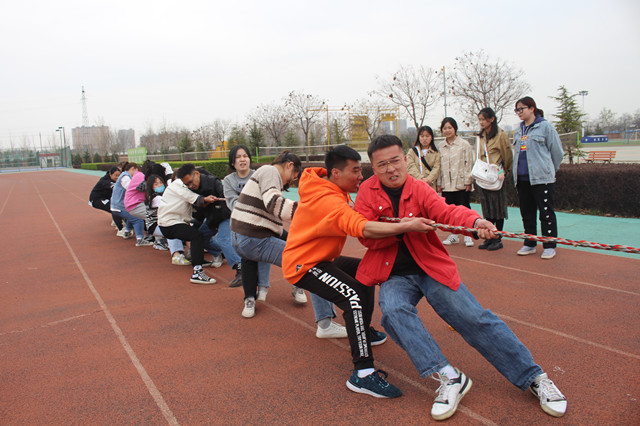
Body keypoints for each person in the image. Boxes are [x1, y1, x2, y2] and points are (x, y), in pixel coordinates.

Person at [354, 135, 567, 420]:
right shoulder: (367, 192)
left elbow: (447, 211)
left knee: (472, 318)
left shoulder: (419, 188)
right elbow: (364, 235)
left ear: (405, 160)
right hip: (392, 272)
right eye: (382, 165)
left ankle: (534, 377)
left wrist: (475, 222)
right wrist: (402, 227)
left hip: (429, 267)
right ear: (373, 167)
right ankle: (449, 376)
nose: (391, 169)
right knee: (392, 313)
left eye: (395, 161)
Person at [282, 145, 437, 399]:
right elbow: (360, 228)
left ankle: (361, 329)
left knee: (365, 272)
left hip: (321, 257)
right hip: (305, 264)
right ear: (335, 173)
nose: (361, 176)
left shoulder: (329, 186)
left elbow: (358, 216)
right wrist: (407, 225)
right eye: (355, 171)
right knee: (353, 296)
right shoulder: (329, 199)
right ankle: (363, 374)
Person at [230, 152, 346, 340]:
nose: (290, 182)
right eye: (293, 177)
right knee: (312, 262)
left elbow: (276, 218)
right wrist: (314, 211)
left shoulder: (264, 173)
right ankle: (325, 323)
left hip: (245, 236)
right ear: (289, 165)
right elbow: (274, 204)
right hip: (253, 237)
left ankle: (298, 287)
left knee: (299, 246)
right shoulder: (270, 171)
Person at [513, 96, 564, 260]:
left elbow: (557, 152)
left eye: (522, 109)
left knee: (546, 213)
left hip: (542, 179)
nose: (519, 112)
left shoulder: (545, 127)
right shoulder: (519, 130)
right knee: (527, 213)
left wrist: (549, 170)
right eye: (517, 110)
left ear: (532, 108)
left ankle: (549, 245)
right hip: (523, 179)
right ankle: (530, 242)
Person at [223, 145, 271, 300]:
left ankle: (265, 286)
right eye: (238, 157)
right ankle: (249, 297)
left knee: (285, 244)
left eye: (245, 156)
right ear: (232, 162)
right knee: (248, 257)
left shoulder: (258, 175)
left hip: (261, 222)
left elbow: (267, 199)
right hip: (241, 226)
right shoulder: (229, 181)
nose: (242, 159)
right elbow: (232, 204)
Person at [158, 163, 218, 285]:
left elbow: (195, 206)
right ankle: (197, 272)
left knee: (197, 229)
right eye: (189, 183)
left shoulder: (182, 185)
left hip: (175, 221)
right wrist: (206, 199)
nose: (192, 185)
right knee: (196, 236)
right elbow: (194, 198)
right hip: (169, 224)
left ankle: (198, 259)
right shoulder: (178, 185)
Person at [188, 167, 243, 287]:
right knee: (199, 237)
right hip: (212, 218)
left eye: (191, 182)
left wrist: (215, 202)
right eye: (187, 184)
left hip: (225, 215)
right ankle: (219, 252)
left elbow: (227, 198)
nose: (191, 185)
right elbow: (198, 211)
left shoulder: (214, 182)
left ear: (197, 175)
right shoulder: (191, 191)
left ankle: (240, 268)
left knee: (223, 239)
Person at [476, 107, 514, 251]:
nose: (481, 122)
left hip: (496, 175)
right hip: (483, 176)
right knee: (487, 208)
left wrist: (505, 171)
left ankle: (497, 238)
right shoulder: (480, 137)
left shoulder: (500, 135)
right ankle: (489, 237)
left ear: (492, 119)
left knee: (497, 207)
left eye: (484, 119)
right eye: (479, 119)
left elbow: (507, 156)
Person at [436, 117, 475, 247]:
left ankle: (467, 234)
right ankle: (454, 234)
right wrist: (439, 183)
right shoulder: (440, 146)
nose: (447, 130)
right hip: (447, 184)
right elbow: (439, 167)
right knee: (451, 211)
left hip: (461, 183)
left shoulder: (464, 144)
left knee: (464, 208)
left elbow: (469, 163)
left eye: (449, 128)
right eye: (445, 128)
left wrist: (469, 181)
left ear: (455, 128)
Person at [110, 162, 149, 246]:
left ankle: (127, 232)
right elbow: (130, 187)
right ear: (132, 168)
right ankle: (140, 240)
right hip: (119, 206)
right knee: (137, 218)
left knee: (132, 215)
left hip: (117, 205)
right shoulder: (125, 177)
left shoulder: (125, 176)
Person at [89, 166, 124, 234]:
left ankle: (116, 221)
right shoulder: (104, 180)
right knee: (113, 208)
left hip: (106, 198)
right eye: (116, 175)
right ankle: (120, 229)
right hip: (97, 199)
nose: (117, 177)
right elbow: (113, 186)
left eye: (119, 176)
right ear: (110, 174)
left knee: (117, 207)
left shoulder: (115, 180)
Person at [407, 125, 440, 191]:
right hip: (416, 185)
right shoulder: (412, 152)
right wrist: (421, 179)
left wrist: (429, 179)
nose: (425, 138)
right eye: (422, 136)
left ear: (431, 138)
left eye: (427, 136)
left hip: (430, 186)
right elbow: (410, 167)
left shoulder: (436, 153)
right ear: (419, 137)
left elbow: (436, 168)